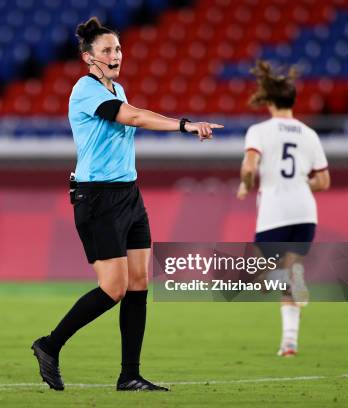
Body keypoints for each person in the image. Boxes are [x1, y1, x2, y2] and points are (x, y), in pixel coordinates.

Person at [31, 17, 223, 391]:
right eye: (106, 50)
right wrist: (185, 126)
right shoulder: (85, 91)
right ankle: (50, 345)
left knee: (139, 283)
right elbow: (132, 117)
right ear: (88, 58)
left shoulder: (115, 88)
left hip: (129, 195)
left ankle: (129, 375)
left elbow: (129, 113)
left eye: (117, 48)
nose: (115, 54)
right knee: (114, 288)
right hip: (97, 197)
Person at [237, 60, 330, 357]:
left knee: (256, 276)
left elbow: (249, 166)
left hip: (274, 211)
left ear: (269, 100)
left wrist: (245, 184)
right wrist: (301, 186)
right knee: (292, 273)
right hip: (305, 211)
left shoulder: (259, 131)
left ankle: (291, 282)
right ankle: (289, 343)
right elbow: (324, 180)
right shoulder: (310, 134)